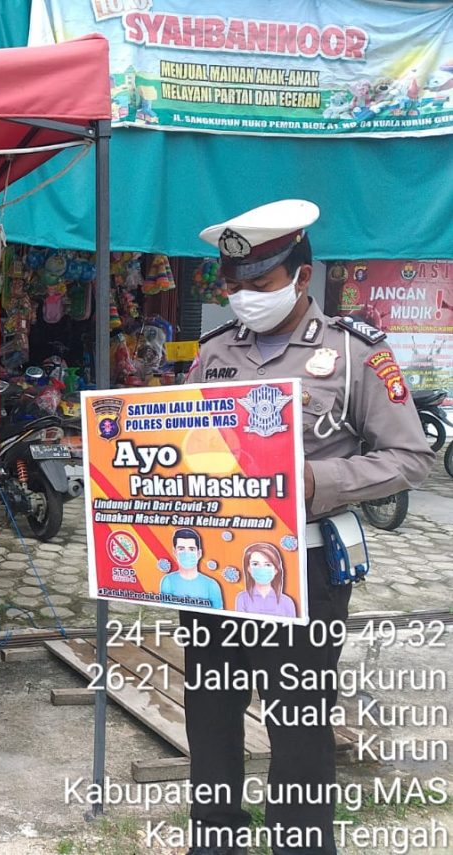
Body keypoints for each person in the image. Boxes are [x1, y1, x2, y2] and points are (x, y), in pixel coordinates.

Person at [183, 199, 433, 855]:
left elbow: (411, 456)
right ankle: (215, 841)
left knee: (297, 723)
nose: (242, 298)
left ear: (302, 274)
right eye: (232, 286)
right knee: (210, 715)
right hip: (212, 570)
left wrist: (320, 481)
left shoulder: (354, 354)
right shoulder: (212, 353)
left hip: (308, 569)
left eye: (258, 285)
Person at [159, 528, 223, 609]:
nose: (186, 553)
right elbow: (167, 613)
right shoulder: (168, 581)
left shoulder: (212, 585)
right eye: (181, 549)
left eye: (191, 549)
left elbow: (218, 616)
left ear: (199, 553)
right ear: (174, 552)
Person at [235, 543, 296, 619]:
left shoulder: (287, 602)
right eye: (255, 564)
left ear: (276, 570)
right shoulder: (242, 598)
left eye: (267, 565)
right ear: (249, 569)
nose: (261, 568)